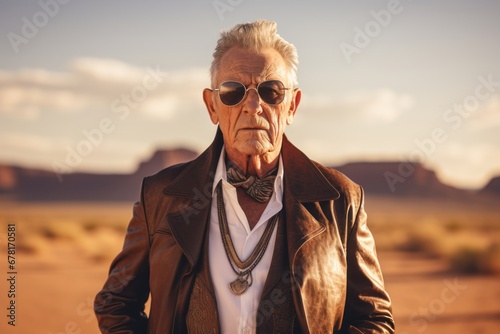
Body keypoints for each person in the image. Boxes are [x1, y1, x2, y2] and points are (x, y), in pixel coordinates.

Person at [95, 20, 394, 333]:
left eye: (272, 91)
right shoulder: (160, 195)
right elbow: (116, 303)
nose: (253, 106)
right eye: (232, 92)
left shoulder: (340, 200)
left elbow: (374, 319)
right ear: (212, 106)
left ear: (292, 105)